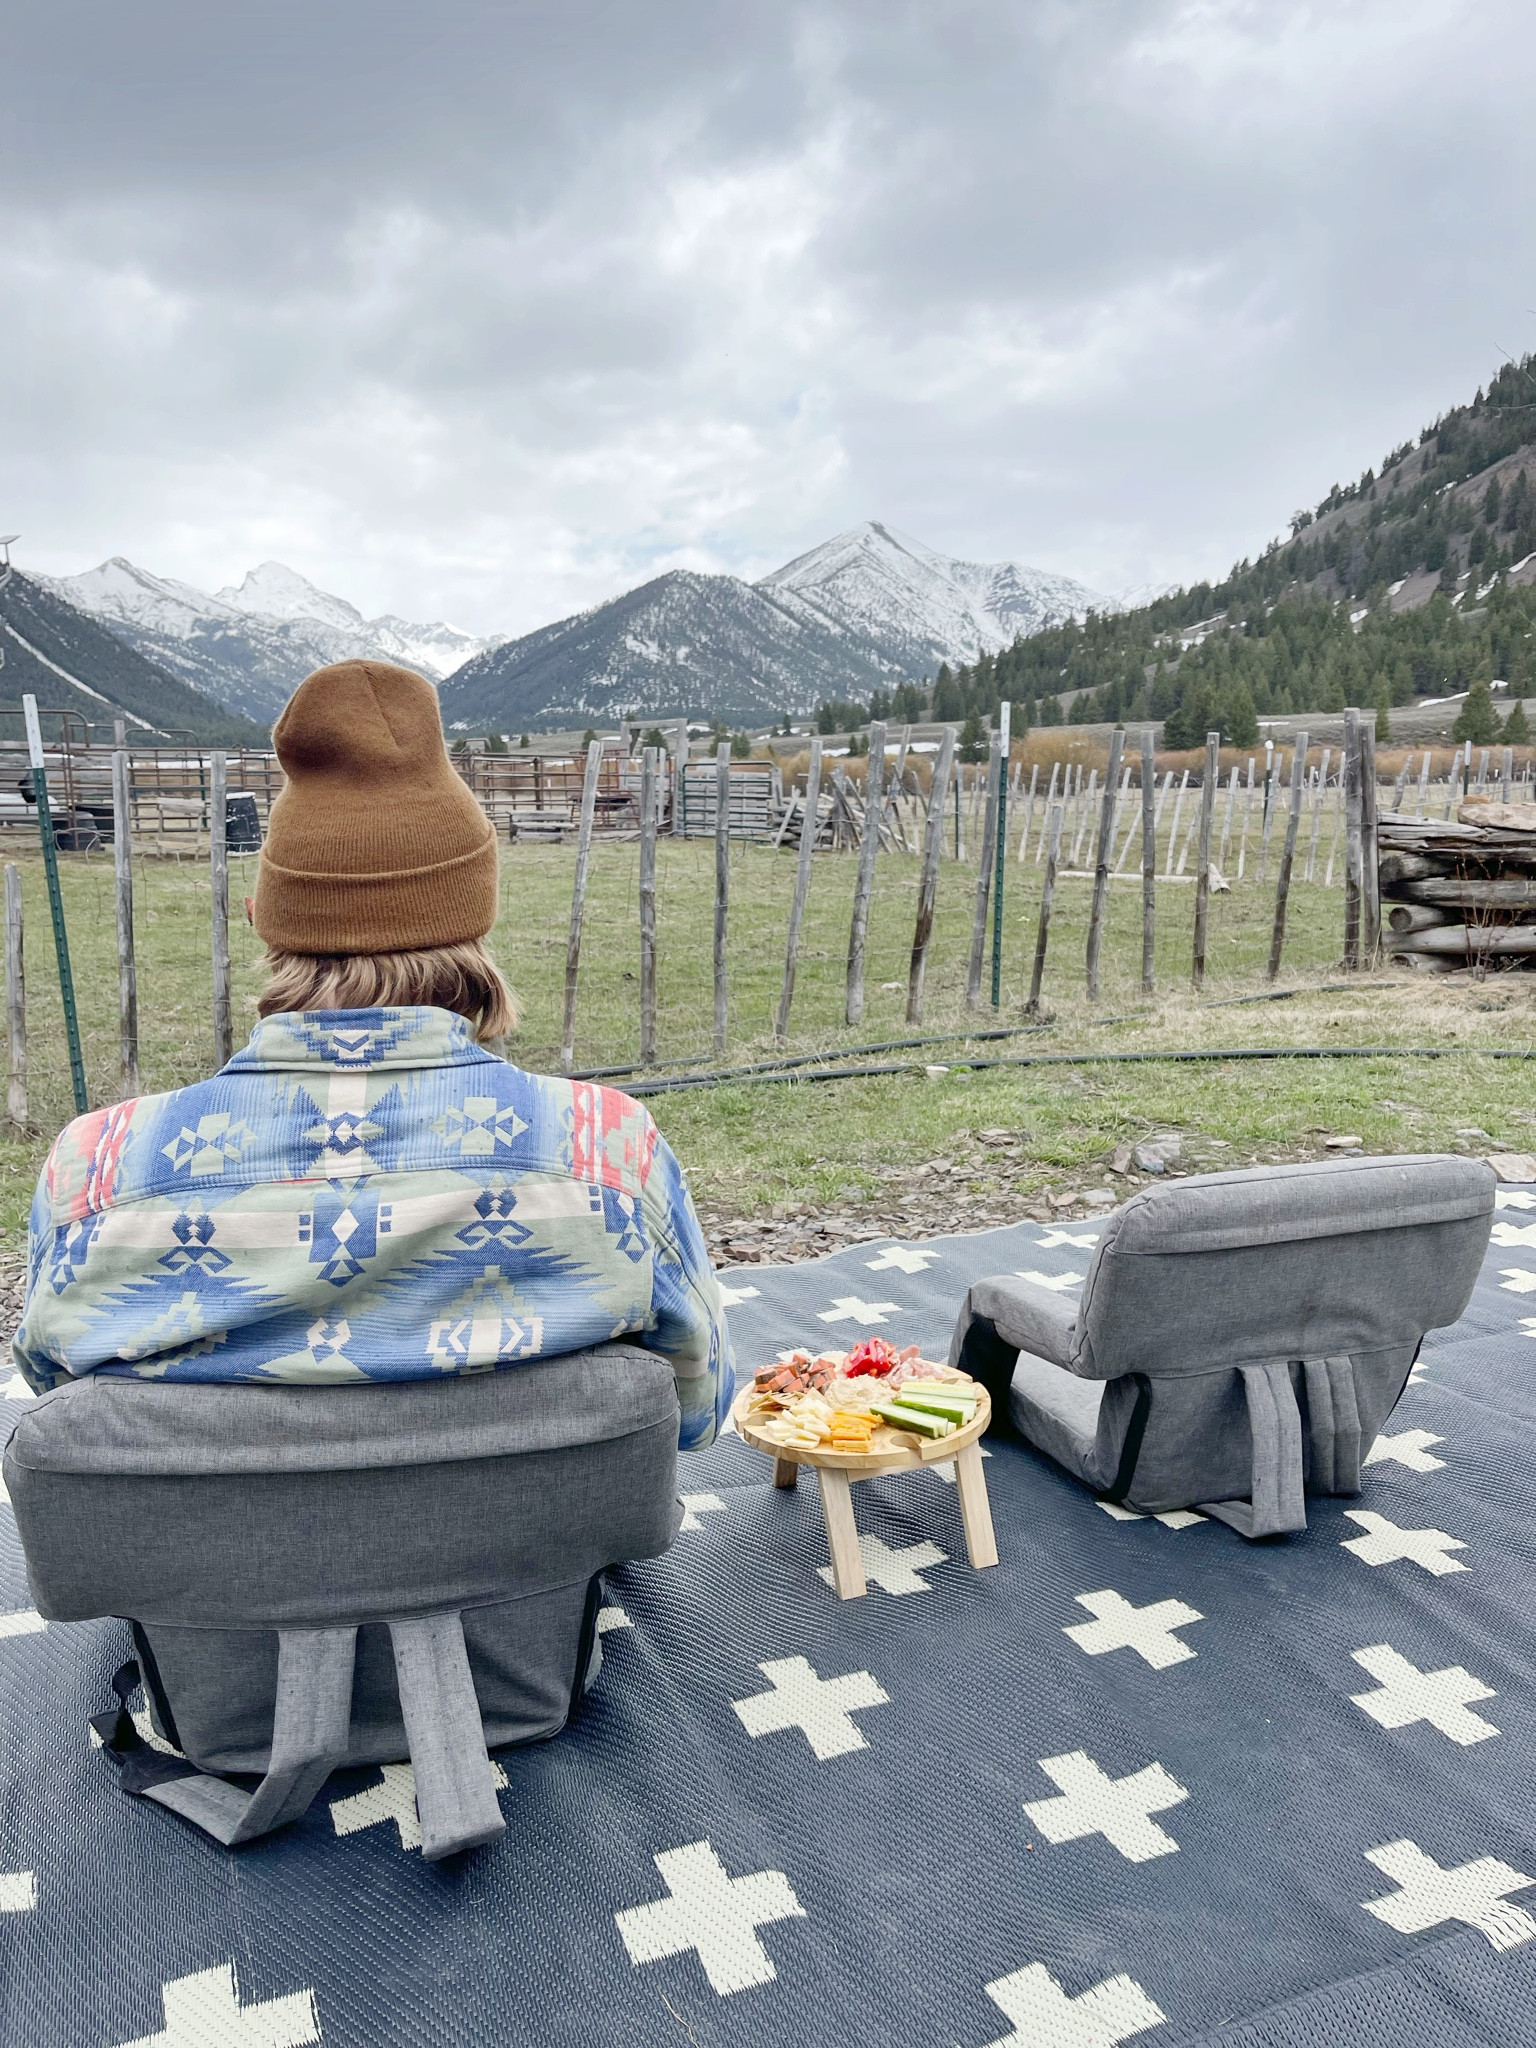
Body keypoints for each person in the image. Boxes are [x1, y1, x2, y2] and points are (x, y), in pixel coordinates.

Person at [11, 660, 732, 1449]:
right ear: (477, 915)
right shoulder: (613, 1153)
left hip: (195, 1570)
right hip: (539, 1571)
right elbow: (695, 1412)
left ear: (265, 919)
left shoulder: (94, 1170)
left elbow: (55, 1390)